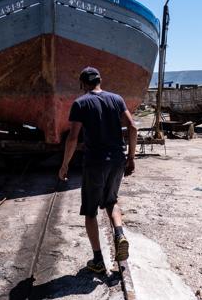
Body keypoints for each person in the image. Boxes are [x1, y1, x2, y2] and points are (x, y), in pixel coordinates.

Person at [58, 66, 138, 273]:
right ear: (100, 81)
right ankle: (119, 234)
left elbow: (73, 137)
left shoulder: (80, 103)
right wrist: (131, 157)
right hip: (117, 159)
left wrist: (65, 164)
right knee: (111, 201)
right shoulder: (117, 99)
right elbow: (133, 127)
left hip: (95, 162)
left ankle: (98, 261)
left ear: (83, 84)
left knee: (91, 212)